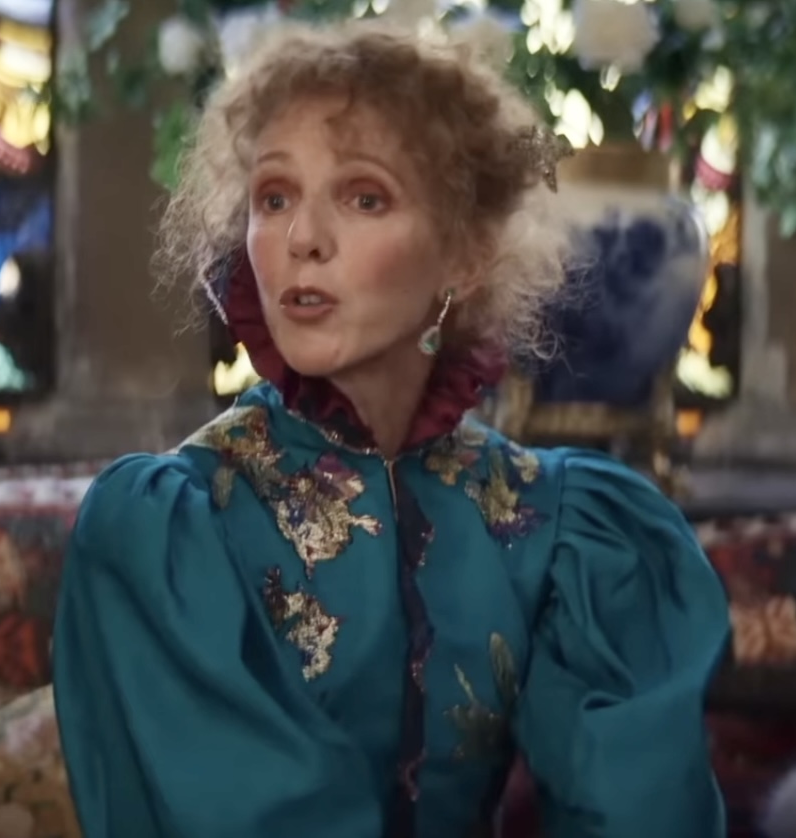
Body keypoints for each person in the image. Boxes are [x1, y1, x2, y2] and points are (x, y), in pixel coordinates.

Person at [53, 20, 732, 838]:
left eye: (363, 197)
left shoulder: (563, 527)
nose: (303, 239)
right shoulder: (165, 531)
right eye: (274, 197)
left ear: (464, 254)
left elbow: (635, 810)